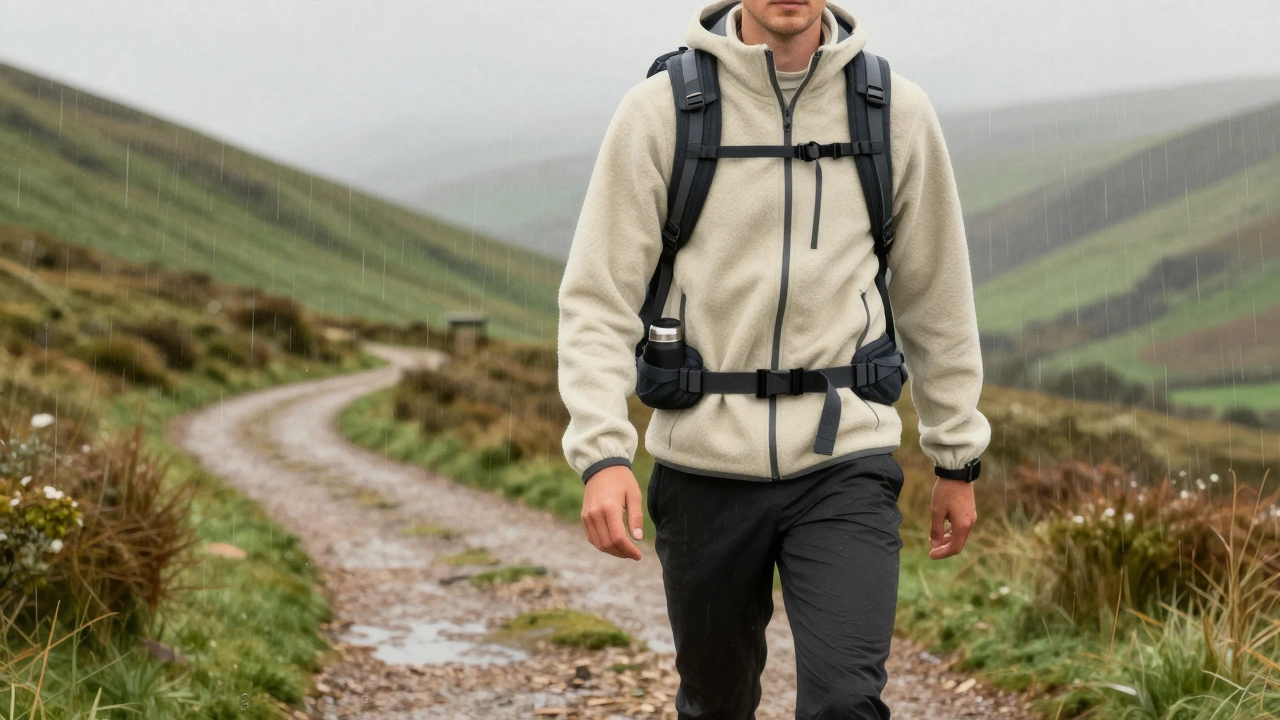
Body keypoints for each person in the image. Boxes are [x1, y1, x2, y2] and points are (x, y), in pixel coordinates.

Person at [556, 0, 991, 717]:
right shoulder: (661, 112)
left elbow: (937, 299)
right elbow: (598, 299)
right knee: (716, 703)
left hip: (844, 461)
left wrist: (957, 458)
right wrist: (603, 455)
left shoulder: (895, 114)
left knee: (846, 704)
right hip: (702, 467)